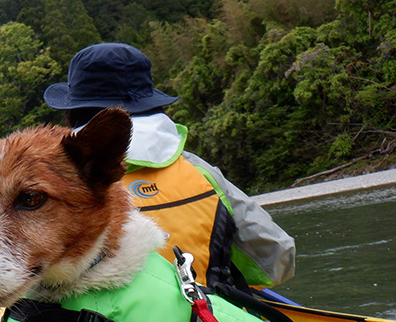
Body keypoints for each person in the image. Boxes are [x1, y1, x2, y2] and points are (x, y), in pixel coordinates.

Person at [43, 42, 295, 288]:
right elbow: (278, 260)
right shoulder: (200, 171)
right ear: (151, 103)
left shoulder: (47, 181)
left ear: (72, 112)